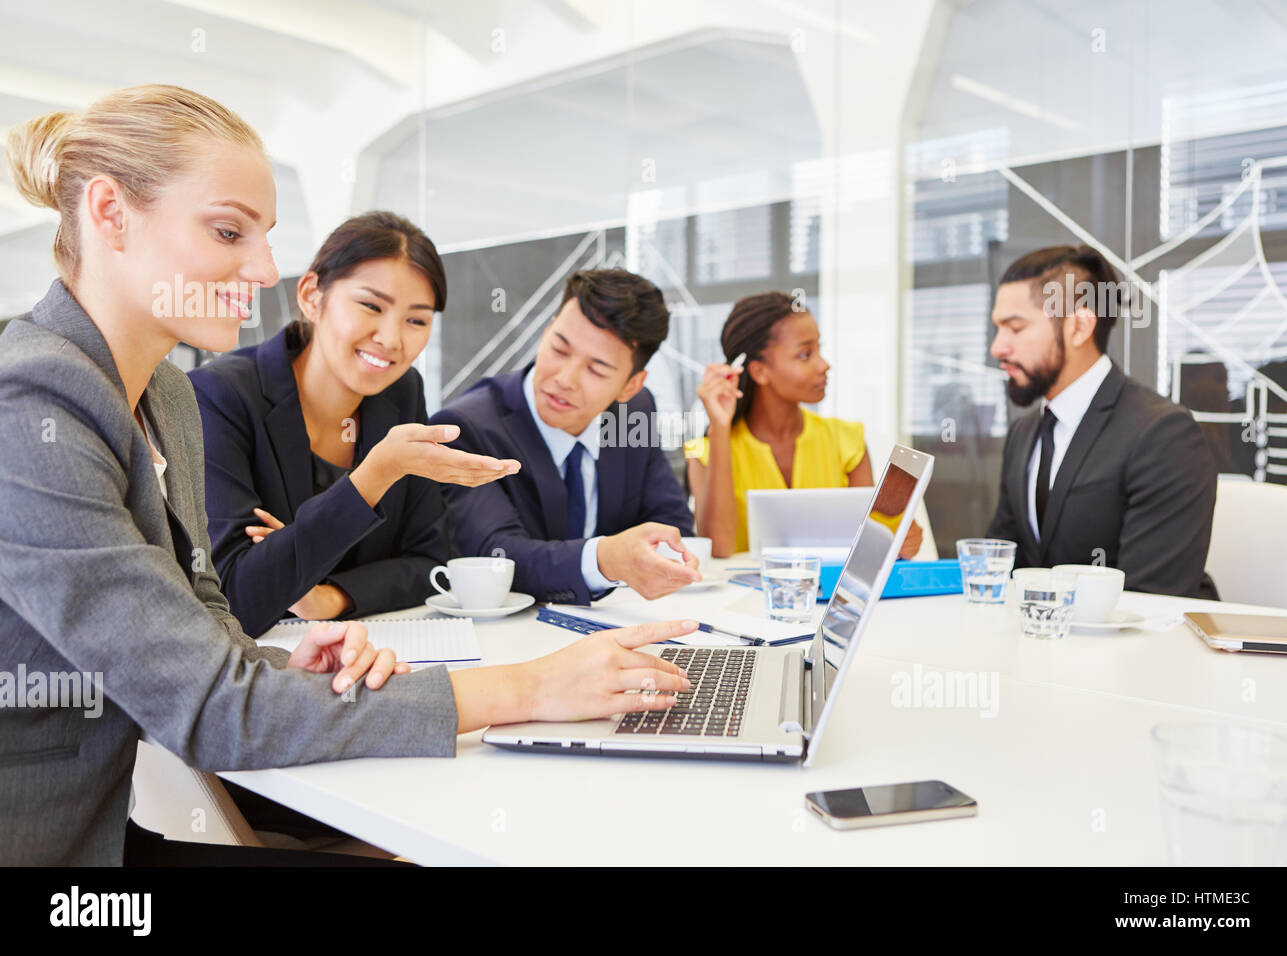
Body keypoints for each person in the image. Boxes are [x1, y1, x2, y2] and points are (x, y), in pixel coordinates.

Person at [0, 85, 693, 867]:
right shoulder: (29, 403)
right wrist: (527, 690)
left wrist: (282, 663)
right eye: (229, 231)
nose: (263, 268)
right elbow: (206, 705)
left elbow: (208, 633)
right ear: (110, 213)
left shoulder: (162, 397)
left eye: (263, 237)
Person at [189, 211, 518, 639]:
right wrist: (374, 475)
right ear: (311, 294)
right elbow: (237, 598)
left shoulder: (400, 393)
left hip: (372, 652)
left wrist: (330, 596)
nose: (391, 339)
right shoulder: (219, 396)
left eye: (416, 320)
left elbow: (429, 562)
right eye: (370, 305)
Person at [430, 269, 700, 605]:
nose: (565, 379)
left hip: (614, 626)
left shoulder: (634, 412)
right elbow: (495, 556)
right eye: (559, 348)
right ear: (547, 331)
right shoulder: (466, 429)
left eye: (596, 370)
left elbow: (672, 524)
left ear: (630, 385)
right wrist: (605, 559)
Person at [985, 245, 1218, 598]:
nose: (997, 348)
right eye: (997, 328)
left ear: (1078, 327)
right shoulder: (1024, 432)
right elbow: (1000, 564)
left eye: (1014, 329)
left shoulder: (1163, 434)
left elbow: (1151, 602)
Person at [685, 291, 923, 558]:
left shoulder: (847, 440)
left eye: (819, 349)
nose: (824, 365)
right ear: (760, 371)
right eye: (804, 354)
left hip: (825, 596)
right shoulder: (704, 453)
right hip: (741, 598)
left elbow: (866, 547)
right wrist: (719, 427)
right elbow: (719, 549)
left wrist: (898, 539)